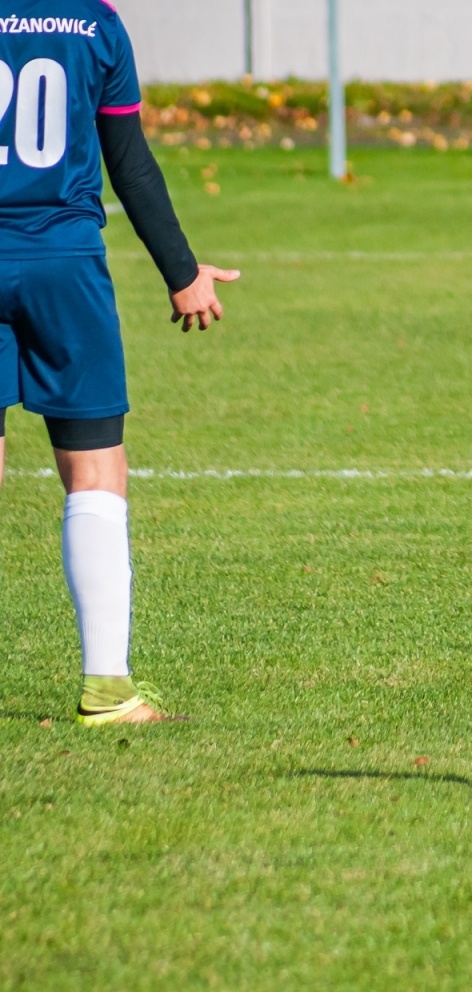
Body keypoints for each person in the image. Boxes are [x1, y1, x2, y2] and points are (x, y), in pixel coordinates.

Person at [1, 1, 238, 725]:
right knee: (95, 466)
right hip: (62, 266)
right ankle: (107, 690)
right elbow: (127, 159)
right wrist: (181, 269)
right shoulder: (95, 25)